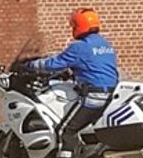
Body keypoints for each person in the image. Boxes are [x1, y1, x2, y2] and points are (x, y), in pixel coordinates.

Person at [25, 9, 119, 158]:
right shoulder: (105, 44)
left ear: (79, 26)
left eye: (74, 25)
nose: (73, 29)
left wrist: (30, 65)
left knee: (65, 131)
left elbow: (55, 64)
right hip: (110, 94)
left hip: (93, 96)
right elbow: (94, 66)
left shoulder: (80, 47)